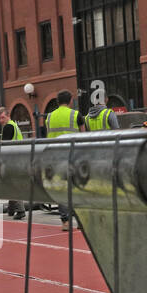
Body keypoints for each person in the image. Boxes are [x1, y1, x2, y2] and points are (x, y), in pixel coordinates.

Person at [46, 90, 84, 230]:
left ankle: (65, 222)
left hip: (55, 157)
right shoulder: (76, 114)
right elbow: (84, 135)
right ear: (70, 101)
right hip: (73, 156)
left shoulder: (49, 117)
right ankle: (81, 220)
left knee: (61, 189)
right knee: (77, 188)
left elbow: (47, 137)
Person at [0, 107, 27, 219]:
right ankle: (11, 209)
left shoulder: (8, 127)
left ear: (8, 116)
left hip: (12, 159)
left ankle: (20, 210)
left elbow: (5, 145)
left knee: (13, 185)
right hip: (18, 158)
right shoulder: (14, 125)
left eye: (2, 117)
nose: (1, 120)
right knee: (11, 184)